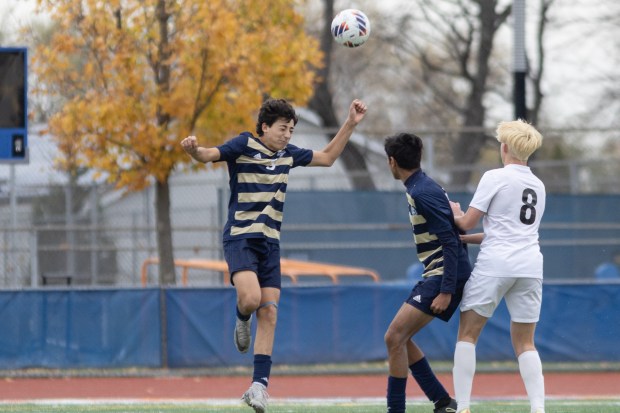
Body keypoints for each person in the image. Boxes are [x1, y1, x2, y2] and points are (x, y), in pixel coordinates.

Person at [181, 98, 367, 413]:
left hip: (270, 244)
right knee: (251, 301)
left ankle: (259, 387)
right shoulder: (244, 144)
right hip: (240, 237)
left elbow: (328, 157)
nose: (287, 135)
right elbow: (209, 154)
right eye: (283, 128)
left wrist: (350, 123)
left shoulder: (288, 155)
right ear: (265, 126)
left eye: (292, 130)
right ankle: (241, 318)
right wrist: (194, 150)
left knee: (269, 313)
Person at [449, 119, 546, 413]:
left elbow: (467, 221)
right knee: (526, 343)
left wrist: (453, 213)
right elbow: (506, 230)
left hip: (495, 264)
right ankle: (538, 409)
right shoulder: (538, 185)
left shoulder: (495, 177)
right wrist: (467, 237)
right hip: (530, 266)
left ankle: (463, 407)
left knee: (467, 335)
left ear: (504, 147)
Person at [383, 132, 472, 413]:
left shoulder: (422, 191)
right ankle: (442, 401)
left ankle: (397, 409)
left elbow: (451, 239)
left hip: (444, 274)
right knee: (400, 337)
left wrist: (446, 290)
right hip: (438, 272)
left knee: (394, 337)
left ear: (392, 162)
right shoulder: (421, 186)